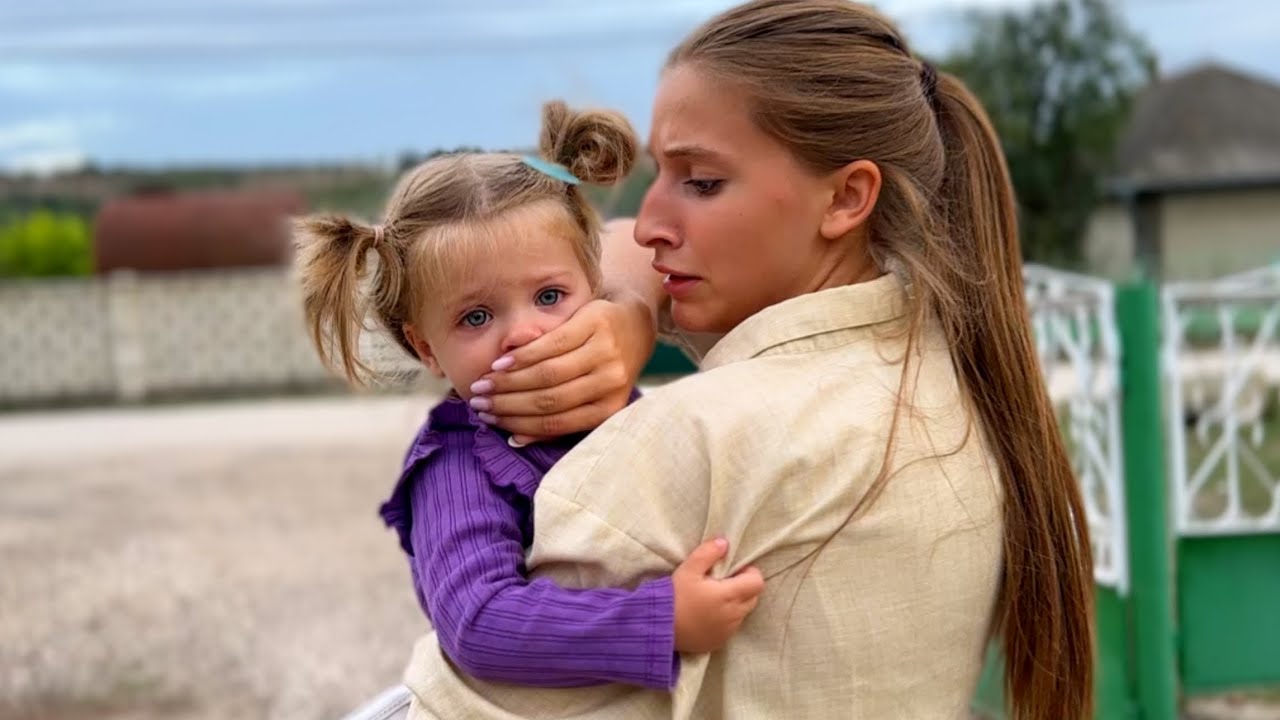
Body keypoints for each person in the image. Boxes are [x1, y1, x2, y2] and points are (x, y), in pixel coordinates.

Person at [400, 1, 1096, 718]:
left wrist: (634, 305)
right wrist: (634, 306)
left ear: (848, 197)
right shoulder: (955, 385)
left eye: (700, 182)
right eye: (659, 176)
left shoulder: (693, 437)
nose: (651, 224)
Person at [293, 100, 765, 691]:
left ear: (596, 288)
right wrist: (660, 620)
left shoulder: (623, 404)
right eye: (476, 316)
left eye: (548, 297)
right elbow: (478, 623)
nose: (522, 332)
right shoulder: (459, 467)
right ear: (428, 348)